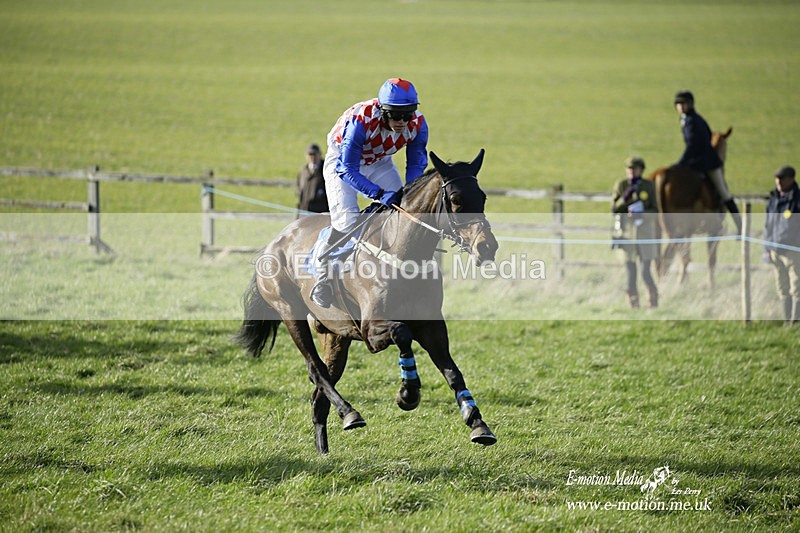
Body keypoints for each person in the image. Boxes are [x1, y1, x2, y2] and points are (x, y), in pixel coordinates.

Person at [311, 78, 429, 308]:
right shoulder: (361, 120)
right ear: (383, 111)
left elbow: (415, 165)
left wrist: (409, 197)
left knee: (403, 211)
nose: (402, 121)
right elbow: (347, 170)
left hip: (379, 162)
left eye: (408, 114)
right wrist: (378, 194)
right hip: (343, 163)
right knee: (347, 220)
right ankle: (321, 275)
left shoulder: (418, 124)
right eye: (396, 115)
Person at [673, 90, 742, 233]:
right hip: (695, 161)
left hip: (708, 162)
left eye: (683, 104)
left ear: (690, 105)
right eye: (678, 104)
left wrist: (681, 163)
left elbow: (692, 145)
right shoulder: (686, 119)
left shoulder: (693, 121)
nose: (680, 107)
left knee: (723, 191)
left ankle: (739, 225)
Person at [611, 156, 659, 308]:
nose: (631, 172)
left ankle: (653, 300)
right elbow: (614, 209)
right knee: (630, 273)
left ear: (641, 170)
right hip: (627, 235)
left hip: (645, 234)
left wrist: (642, 215)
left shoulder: (648, 186)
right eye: (629, 169)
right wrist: (623, 199)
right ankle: (633, 303)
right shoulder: (621, 185)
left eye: (635, 169)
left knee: (645, 271)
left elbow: (656, 211)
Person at [764, 165, 800, 326]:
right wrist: (767, 249)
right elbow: (768, 225)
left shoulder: (797, 199)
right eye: (777, 178)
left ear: (791, 179)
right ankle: (787, 321)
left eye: (782, 178)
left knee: (797, 288)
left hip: (794, 251)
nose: (778, 181)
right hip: (775, 250)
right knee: (782, 288)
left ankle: (795, 322)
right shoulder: (773, 199)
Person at [296, 143, 328, 216]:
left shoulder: (326, 170)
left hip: (321, 215)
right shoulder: (303, 171)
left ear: (320, 155)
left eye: (314, 154)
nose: (312, 157)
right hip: (304, 213)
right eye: (310, 154)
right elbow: (300, 194)